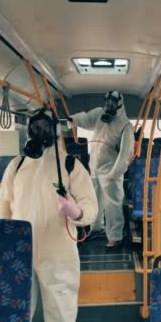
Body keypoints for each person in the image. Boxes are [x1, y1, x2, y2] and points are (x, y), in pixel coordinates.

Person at [0, 107, 98, 322]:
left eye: (45, 127)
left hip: (58, 252)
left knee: (61, 317)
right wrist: (2, 248)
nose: (40, 131)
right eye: (35, 127)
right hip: (20, 251)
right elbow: (3, 210)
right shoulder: (17, 165)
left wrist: (76, 212)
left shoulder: (71, 165)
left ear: (56, 132)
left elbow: (91, 208)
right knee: (15, 315)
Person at [68, 91, 134, 249]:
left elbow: (126, 153)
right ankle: (96, 228)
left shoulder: (125, 125)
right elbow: (85, 118)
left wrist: (114, 173)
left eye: (113, 103)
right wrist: (72, 119)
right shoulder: (99, 114)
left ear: (119, 104)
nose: (109, 106)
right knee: (94, 200)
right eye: (107, 102)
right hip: (95, 167)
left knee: (112, 205)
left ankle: (115, 237)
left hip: (111, 170)